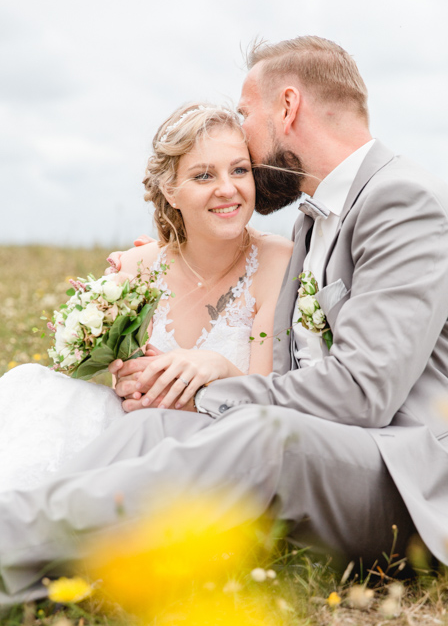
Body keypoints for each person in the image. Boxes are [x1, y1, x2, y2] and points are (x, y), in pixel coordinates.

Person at [0, 36, 448, 606]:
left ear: (287, 106)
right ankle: (39, 575)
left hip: (441, 479)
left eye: (246, 113)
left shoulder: (403, 200)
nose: (246, 140)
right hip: (358, 451)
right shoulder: (313, 220)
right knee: (148, 427)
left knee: (259, 437)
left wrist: (212, 392)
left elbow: (363, 390)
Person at [0, 103, 291, 497]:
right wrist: (127, 378)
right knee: (32, 384)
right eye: (204, 175)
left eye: (239, 170)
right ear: (171, 190)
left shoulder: (278, 262)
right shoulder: (136, 267)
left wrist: (218, 367)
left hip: (220, 449)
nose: (228, 188)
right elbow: (114, 373)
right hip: (134, 431)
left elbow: (271, 403)